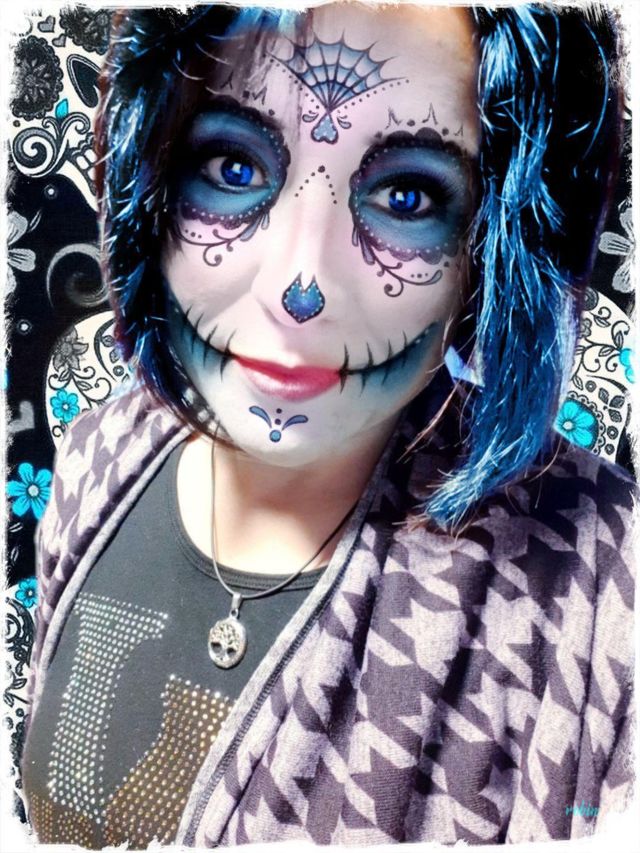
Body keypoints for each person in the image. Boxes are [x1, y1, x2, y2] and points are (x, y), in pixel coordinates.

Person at [21, 2, 635, 848]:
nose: (297, 287)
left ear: (487, 248)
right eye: (232, 165)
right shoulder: (98, 461)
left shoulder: (603, 587)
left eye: (406, 195)